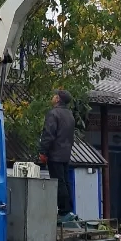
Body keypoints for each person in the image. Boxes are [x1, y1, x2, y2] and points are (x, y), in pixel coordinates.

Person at [38, 89, 76, 221]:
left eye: (55, 96)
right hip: (66, 154)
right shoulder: (70, 114)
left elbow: (48, 134)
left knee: (58, 183)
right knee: (66, 182)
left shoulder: (53, 114)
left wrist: (43, 152)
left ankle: (63, 212)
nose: (53, 97)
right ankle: (68, 210)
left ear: (58, 99)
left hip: (55, 154)